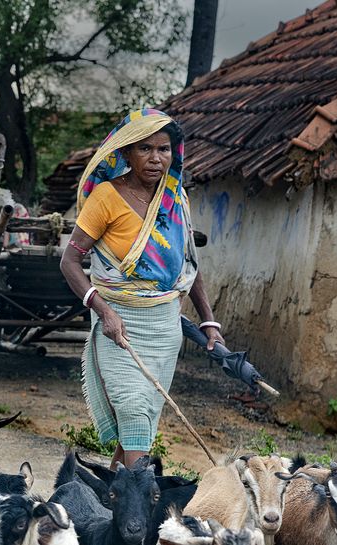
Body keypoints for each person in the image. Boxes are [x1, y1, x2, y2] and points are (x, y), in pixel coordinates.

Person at [60, 108, 224, 470]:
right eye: (145, 149)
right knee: (133, 407)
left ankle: (117, 497)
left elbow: (188, 265)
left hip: (164, 330)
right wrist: (104, 311)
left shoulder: (175, 200)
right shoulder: (106, 197)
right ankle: (140, 500)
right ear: (126, 153)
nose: (155, 158)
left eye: (163, 149)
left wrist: (209, 322)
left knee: (142, 418)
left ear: (174, 153)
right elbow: (69, 263)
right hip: (119, 325)